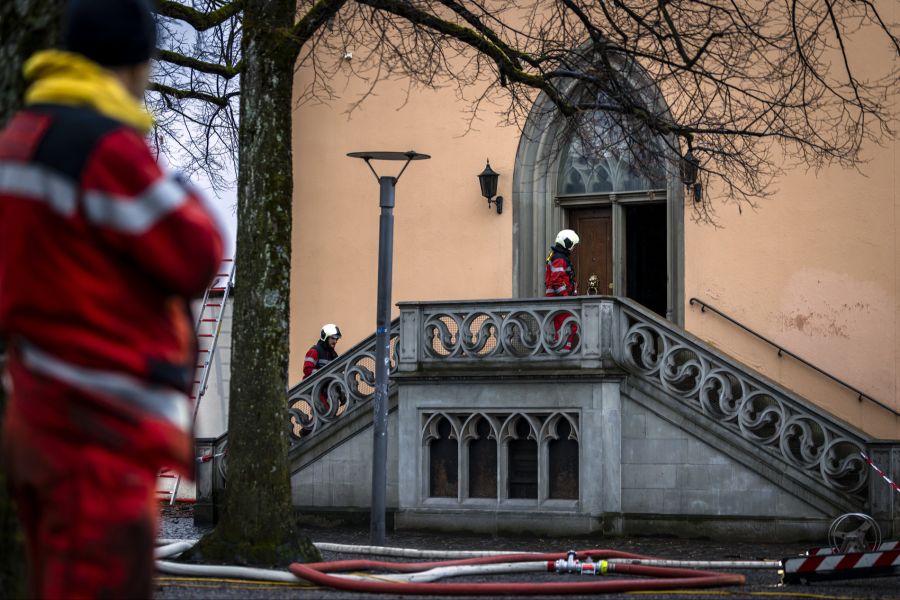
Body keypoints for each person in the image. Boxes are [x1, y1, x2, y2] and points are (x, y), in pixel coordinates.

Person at [0, 1, 225, 598]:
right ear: (132, 65)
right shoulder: (99, 146)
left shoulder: (20, 140)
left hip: (39, 414)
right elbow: (196, 250)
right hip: (100, 430)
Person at [545, 229, 580, 351]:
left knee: (567, 325)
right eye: (573, 245)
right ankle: (562, 351)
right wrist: (566, 297)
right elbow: (557, 281)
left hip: (561, 298)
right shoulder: (560, 258)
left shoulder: (558, 257)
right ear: (567, 243)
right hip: (560, 299)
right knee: (566, 325)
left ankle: (562, 349)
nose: (573, 248)